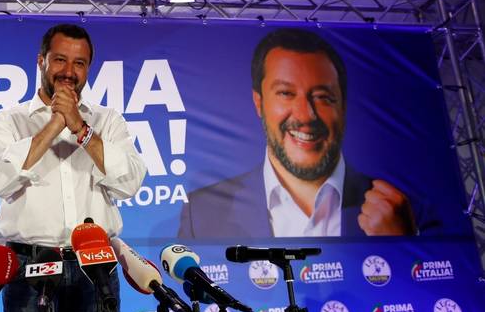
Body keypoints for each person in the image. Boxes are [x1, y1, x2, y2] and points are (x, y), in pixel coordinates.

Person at [179, 27, 433, 239]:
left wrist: (401, 247)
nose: (305, 115)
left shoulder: (407, 213)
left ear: (343, 107)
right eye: (286, 94)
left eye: (322, 97)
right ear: (259, 103)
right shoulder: (202, 215)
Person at [0, 23, 145, 312]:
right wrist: (55, 124)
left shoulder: (107, 121)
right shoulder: (8, 121)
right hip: (31, 269)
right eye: (60, 60)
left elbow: (130, 182)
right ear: (41, 61)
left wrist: (81, 129)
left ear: (88, 69)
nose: (69, 71)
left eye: (79, 63)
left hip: (95, 266)